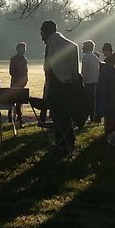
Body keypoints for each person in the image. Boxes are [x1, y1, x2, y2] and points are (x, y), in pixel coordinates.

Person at [41, 20, 82, 155]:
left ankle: (65, 144)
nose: (41, 35)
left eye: (42, 32)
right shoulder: (55, 41)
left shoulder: (56, 43)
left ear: (47, 31)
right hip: (60, 84)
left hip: (61, 86)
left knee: (61, 116)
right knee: (59, 116)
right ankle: (63, 142)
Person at [95, 47, 115, 137]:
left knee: (109, 113)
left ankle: (109, 130)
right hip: (114, 92)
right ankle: (111, 129)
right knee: (112, 112)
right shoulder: (114, 65)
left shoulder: (107, 68)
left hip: (110, 93)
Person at [9, 41, 29, 127]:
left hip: (21, 82)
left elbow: (26, 71)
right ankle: (12, 116)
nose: (24, 50)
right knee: (13, 100)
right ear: (18, 49)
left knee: (19, 101)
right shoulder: (14, 59)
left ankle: (19, 117)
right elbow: (11, 71)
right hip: (15, 81)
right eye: (22, 49)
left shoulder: (24, 59)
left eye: (24, 49)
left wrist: (25, 79)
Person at [80, 39, 101, 121]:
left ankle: (88, 116)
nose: (82, 48)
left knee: (87, 100)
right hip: (95, 81)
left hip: (87, 82)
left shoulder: (85, 58)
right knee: (93, 100)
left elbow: (84, 71)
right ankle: (93, 116)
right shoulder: (95, 58)